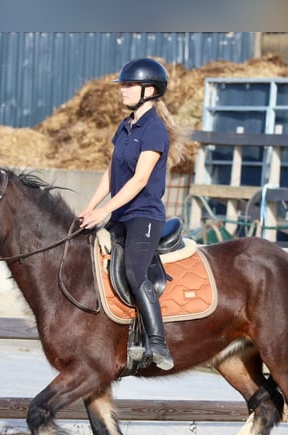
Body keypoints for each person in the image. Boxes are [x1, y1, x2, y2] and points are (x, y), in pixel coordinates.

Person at [78, 57, 187, 370]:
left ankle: (156, 342)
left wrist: (105, 210)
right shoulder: (125, 127)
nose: (122, 91)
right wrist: (90, 208)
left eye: (129, 85)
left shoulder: (154, 130)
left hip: (144, 215)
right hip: (120, 212)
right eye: (123, 85)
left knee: (135, 272)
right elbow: (112, 173)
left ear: (148, 91)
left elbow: (140, 179)